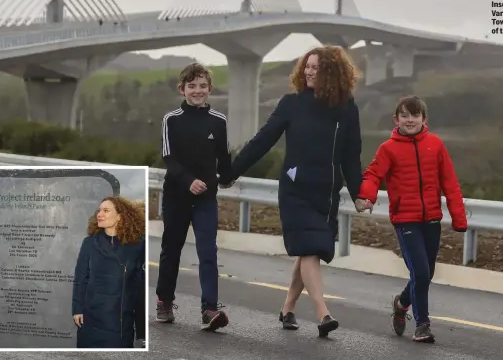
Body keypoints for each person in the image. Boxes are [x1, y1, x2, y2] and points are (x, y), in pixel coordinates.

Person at [227, 45, 372, 338]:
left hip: (326, 193)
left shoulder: (347, 109)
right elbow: (262, 141)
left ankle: (288, 307)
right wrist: (231, 172)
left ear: (332, 72)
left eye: (316, 67)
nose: (308, 71)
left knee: (310, 251)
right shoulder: (291, 104)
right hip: (295, 189)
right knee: (310, 249)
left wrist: (359, 193)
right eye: (307, 66)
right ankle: (323, 313)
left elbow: (351, 157)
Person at [358, 96, 467, 343]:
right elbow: (373, 175)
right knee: (419, 270)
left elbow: (450, 183)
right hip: (405, 220)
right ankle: (422, 324)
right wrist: (367, 197)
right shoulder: (388, 148)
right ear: (396, 119)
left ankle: (401, 303)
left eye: (415, 115)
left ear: (424, 119)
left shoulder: (436, 145)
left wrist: (458, 218)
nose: (410, 120)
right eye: (405, 115)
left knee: (426, 274)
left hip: (431, 219)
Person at [155, 63, 234, 331]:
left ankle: (210, 309)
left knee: (208, 251)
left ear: (209, 89)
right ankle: (165, 302)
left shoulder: (219, 121)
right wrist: (188, 181)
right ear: (182, 89)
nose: (197, 91)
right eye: (192, 86)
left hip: (205, 199)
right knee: (171, 251)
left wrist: (228, 176)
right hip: (177, 196)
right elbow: (168, 157)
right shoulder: (172, 119)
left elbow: (224, 158)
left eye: (202, 86)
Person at [72, 196, 146, 348]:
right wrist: (77, 309)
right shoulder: (90, 243)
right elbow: (81, 278)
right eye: (99, 211)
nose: (100, 214)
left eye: (106, 210)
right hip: (91, 318)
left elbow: (140, 288)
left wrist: (142, 330)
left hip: (119, 321)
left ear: (120, 216)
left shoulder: (137, 245)